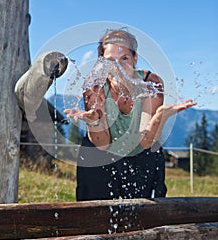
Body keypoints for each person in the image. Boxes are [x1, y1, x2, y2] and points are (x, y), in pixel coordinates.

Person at [64, 29, 196, 201]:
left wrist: (160, 117)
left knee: (146, 211)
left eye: (124, 58)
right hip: (101, 150)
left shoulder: (151, 84)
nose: (118, 66)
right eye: (111, 60)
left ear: (135, 58)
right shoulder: (94, 86)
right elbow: (102, 144)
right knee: (94, 212)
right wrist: (94, 122)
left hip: (141, 150)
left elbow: (145, 141)